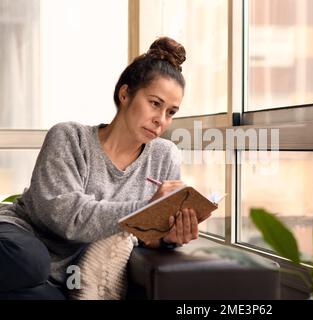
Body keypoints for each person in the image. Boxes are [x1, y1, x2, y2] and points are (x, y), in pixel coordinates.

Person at [0, 37, 201, 299]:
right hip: (21, 239)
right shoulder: (69, 137)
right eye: (155, 103)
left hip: (67, 275)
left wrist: (170, 236)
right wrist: (147, 208)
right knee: (32, 262)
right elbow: (66, 218)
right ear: (125, 94)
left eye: (171, 112)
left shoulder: (165, 156)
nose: (161, 120)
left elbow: (146, 234)